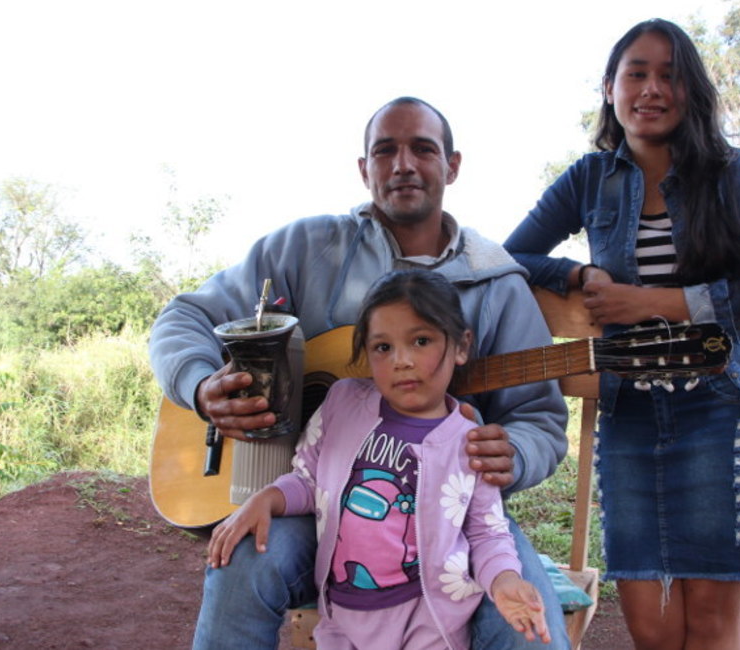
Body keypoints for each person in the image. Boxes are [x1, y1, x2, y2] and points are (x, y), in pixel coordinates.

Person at [149, 96, 570, 649]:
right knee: (240, 564)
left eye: (422, 148)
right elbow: (186, 316)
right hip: (311, 501)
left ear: (452, 165)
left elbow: (538, 417)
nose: (402, 164)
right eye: (384, 150)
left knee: (532, 631)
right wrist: (201, 387)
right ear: (363, 168)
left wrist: (513, 452)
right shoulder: (305, 250)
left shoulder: (496, 284)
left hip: (456, 521)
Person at [504, 19, 740, 650]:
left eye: (670, 74)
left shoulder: (731, 174)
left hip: (724, 412)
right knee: (651, 630)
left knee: (712, 625)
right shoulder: (589, 178)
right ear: (610, 88)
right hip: (632, 416)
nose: (652, 88)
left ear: (691, 91)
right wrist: (578, 271)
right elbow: (511, 255)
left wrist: (649, 301)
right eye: (637, 73)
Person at [208, 269, 552, 649]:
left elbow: (487, 532)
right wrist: (266, 498)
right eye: (383, 348)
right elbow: (308, 480)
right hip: (342, 622)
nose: (401, 360)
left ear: (460, 346)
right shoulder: (341, 405)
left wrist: (505, 580)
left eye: (421, 341)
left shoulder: (471, 440)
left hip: (429, 629)